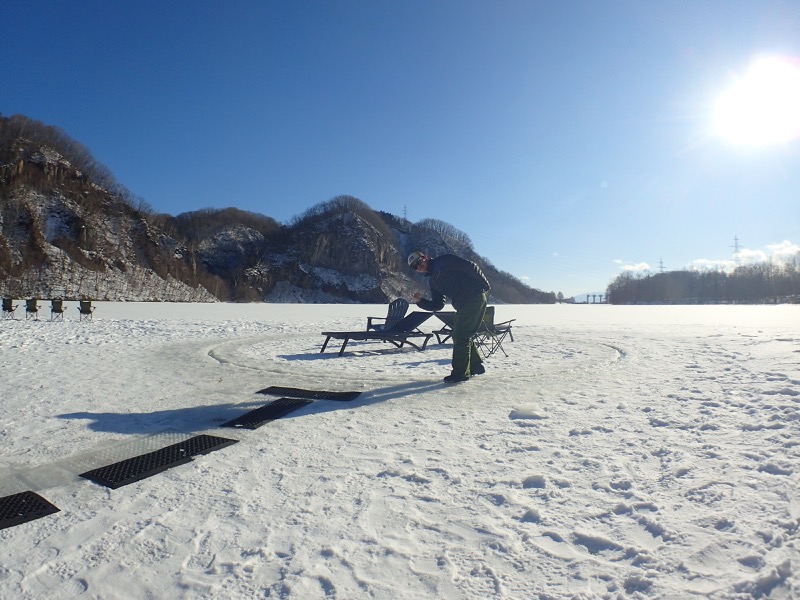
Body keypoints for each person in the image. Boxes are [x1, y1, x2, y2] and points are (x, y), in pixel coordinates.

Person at [408, 250, 490, 383]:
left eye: (419, 261)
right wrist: (420, 302)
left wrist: (484, 285)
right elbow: (437, 305)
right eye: (414, 266)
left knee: (461, 335)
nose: (418, 266)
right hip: (462, 304)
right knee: (461, 334)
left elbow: (471, 266)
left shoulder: (444, 261)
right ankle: (476, 366)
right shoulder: (433, 281)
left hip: (473, 297)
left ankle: (460, 374)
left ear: (426, 257)